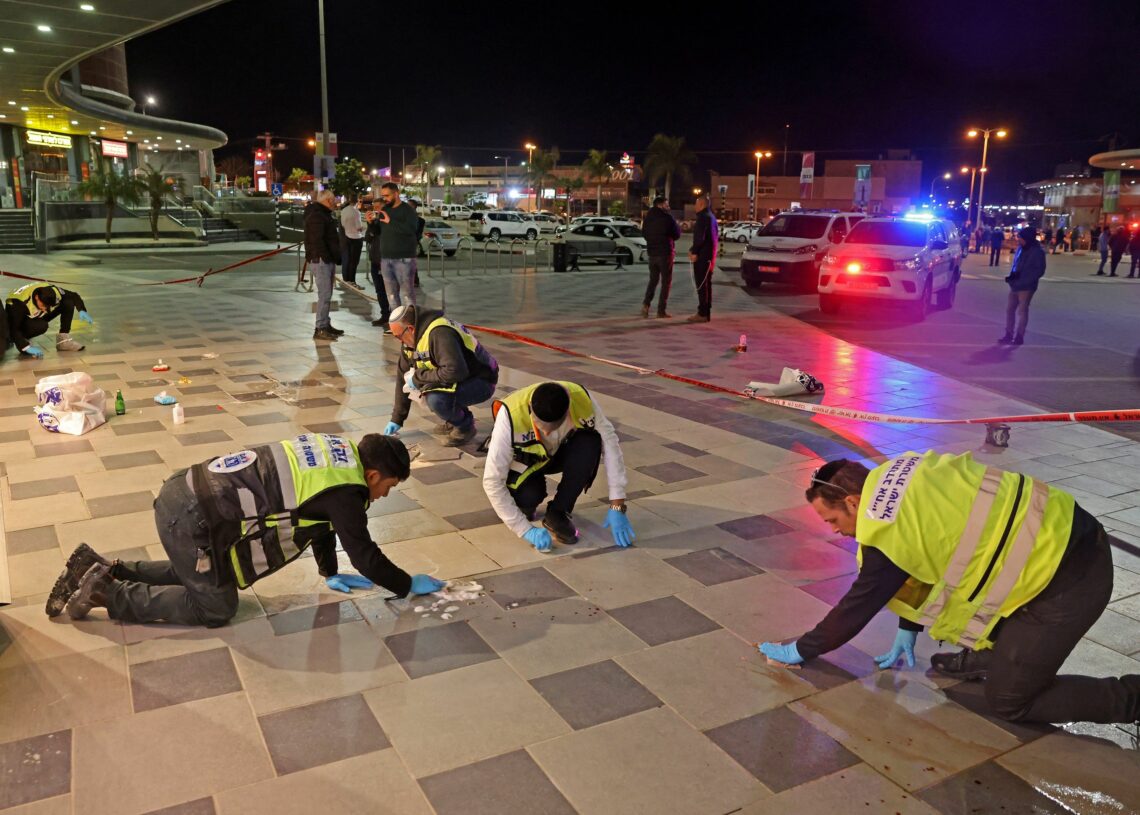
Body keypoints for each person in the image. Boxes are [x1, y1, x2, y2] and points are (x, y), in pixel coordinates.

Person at [759, 453, 1140, 726]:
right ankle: (992, 655)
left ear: (853, 501)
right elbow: (927, 548)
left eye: (832, 520)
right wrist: (909, 629)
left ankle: (1132, 699)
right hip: (1067, 531)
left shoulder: (882, 530)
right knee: (984, 601)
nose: (835, 531)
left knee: (1010, 702)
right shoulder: (906, 471)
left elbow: (855, 609)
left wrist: (801, 649)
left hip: (1069, 580)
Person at [49, 433, 446, 627]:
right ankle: (106, 591)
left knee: (203, 574)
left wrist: (328, 571)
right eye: (387, 488)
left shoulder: (337, 452)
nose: (380, 496)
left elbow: (321, 521)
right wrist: (406, 584)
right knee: (216, 606)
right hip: (191, 519)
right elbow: (365, 554)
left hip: (184, 491)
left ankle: (109, 567)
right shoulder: (349, 491)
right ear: (374, 474)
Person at [482, 381, 635, 551]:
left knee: (590, 442)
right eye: (541, 427)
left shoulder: (581, 400)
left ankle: (558, 512)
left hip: (559, 451)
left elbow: (610, 443)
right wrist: (525, 530)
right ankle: (525, 502)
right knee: (529, 496)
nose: (547, 433)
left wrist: (617, 503)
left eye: (554, 427)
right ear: (530, 409)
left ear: (567, 411)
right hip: (526, 460)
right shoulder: (510, 415)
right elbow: (492, 480)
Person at [382, 305, 499, 447]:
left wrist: (418, 378)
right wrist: (397, 418)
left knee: (436, 399)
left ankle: (465, 427)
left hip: (482, 381)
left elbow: (455, 371)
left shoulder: (440, 333)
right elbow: (403, 378)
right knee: (428, 387)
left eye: (398, 336)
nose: (400, 341)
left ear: (411, 329)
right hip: (463, 379)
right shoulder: (411, 340)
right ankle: (456, 417)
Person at [4, 283, 93, 358]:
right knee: (41, 326)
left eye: (48, 306)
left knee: (68, 302)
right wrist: (24, 347)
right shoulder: (18, 303)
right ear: (36, 297)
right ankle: (24, 338)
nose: (45, 310)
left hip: (35, 316)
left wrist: (81, 310)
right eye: (43, 305)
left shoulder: (54, 291)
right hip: (21, 322)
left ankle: (63, 341)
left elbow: (74, 295)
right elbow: (13, 328)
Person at [374, 182, 419, 310]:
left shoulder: (408, 210)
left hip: (404, 259)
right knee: (392, 296)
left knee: (407, 295)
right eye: (383, 196)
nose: (385, 199)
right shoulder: (385, 210)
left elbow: (411, 229)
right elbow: (380, 231)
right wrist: (372, 223)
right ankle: (397, 327)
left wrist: (391, 221)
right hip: (386, 259)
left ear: (396, 193)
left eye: (387, 196)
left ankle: (410, 325)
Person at [304, 189, 343, 341]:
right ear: (327, 201)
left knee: (327, 294)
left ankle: (325, 324)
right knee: (325, 295)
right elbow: (317, 240)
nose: (335, 203)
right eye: (334, 200)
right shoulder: (317, 215)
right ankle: (320, 327)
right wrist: (326, 257)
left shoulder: (322, 214)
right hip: (321, 260)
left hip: (324, 259)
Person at [999, 226, 1045, 346]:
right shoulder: (1020, 249)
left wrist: (1024, 282)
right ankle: (1008, 334)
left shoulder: (1037, 252)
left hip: (1026, 287)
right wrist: (1012, 277)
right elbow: (1016, 265)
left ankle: (1019, 336)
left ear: (1028, 238)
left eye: (1021, 238)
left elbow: (1039, 271)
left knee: (1022, 311)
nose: (1018, 240)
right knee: (1010, 310)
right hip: (1015, 285)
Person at [640, 195, 681, 318]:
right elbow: (677, 234)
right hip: (665, 253)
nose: (668, 207)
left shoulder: (648, 218)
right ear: (660, 205)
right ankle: (661, 311)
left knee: (653, 280)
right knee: (666, 282)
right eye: (666, 205)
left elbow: (644, 234)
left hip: (652, 254)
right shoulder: (667, 218)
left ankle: (646, 305)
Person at [686, 193, 718, 323]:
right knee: (707, 284)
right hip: (710, 256)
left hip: (703, 257)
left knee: (701, 284)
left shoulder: (703, 217)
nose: (694, 206)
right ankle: (706, 311)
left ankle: (702, 313)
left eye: (696, 203)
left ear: (701, 204)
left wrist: (694, 251)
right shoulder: (711, 217)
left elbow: (700, 237)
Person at [364, 196, 392, 331]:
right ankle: (385, 315)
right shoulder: (375, 222)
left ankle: (393, 317)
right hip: (375, 259)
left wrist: (372, 226)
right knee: (380, 290)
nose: (375, 210)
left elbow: (377, 232)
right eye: (374, 208)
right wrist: (370, 225)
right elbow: (368, 237)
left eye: (377, 207)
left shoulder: (387, 221)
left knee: (390, 291)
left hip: (386, 260)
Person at [339, 194, 365, 289]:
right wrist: (364, 228)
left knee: (346, 260)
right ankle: (352, 281)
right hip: (355, 238)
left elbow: (342, 224)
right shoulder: (356, 212)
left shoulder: (344, 210)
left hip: (346, 237)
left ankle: (346, 280)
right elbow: (359, 227)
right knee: (354, 261)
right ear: (357, 201)